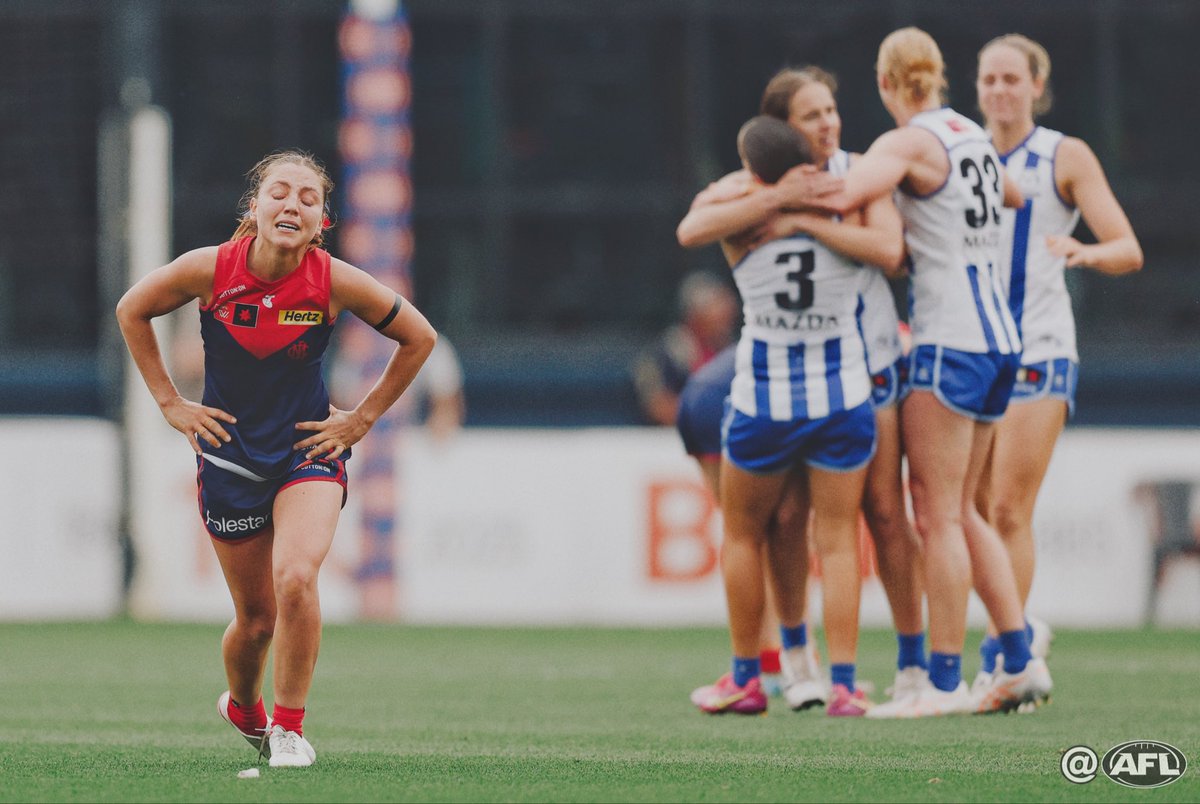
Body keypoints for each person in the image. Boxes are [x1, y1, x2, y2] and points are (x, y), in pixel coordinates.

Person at [115, 150, 436, 766]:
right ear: (255, 208)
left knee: (296, 578)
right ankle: (243, 707)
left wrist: (361, 418)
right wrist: (168, 402)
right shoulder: (208, 270)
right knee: (257, 622)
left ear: (323, 222)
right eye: (280, 193)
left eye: (308, 199)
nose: (293, 204)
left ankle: (288, 728)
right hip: (229, 460)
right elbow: (132, 309)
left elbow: (419, 337)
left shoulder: (335, 280)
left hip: (304, 453)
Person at [782, 27, 1051, 717]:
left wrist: (773, 191)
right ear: (939, 78)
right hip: (1002, 338)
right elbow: (1015, 194)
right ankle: (1019, 659)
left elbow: (844, 195)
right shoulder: (973, 137)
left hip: (949, 339)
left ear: (884, 83)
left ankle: (940, 681)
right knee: (967, 510)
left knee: (937, 515)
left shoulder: (906, 142)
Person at [679, 65, 927, 709]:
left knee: (745, 533)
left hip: (766, 396)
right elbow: (884, 249)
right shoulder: (849, 191)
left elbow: (691, 227)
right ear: (786, 130)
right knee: (835, 538)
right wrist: (797, 203)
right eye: (814, 115)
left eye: (830, 110)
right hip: (844, 391)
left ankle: (747, 675)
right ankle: (835, 681)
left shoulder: (743, 206)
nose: (830, 123)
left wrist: (779, 207)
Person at [971, 34, 1143, 692]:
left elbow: (1126, 246)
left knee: (1011, 510)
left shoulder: (1062, 155)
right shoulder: (965, 153)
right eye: (989, 79)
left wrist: (1083, 253)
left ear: (1037, 86)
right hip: (975, 347)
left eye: (1013, 79)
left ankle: (1002, 659)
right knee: (975, 513)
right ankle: (1016, 631)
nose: (1000, 91)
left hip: (1039, 347)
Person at [632, 271, 739, 425]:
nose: (728, 316)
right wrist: (706, 419)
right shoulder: (669, 351)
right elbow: (656, 404)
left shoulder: (733, 351)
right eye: (717, 309)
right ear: (695, 314)